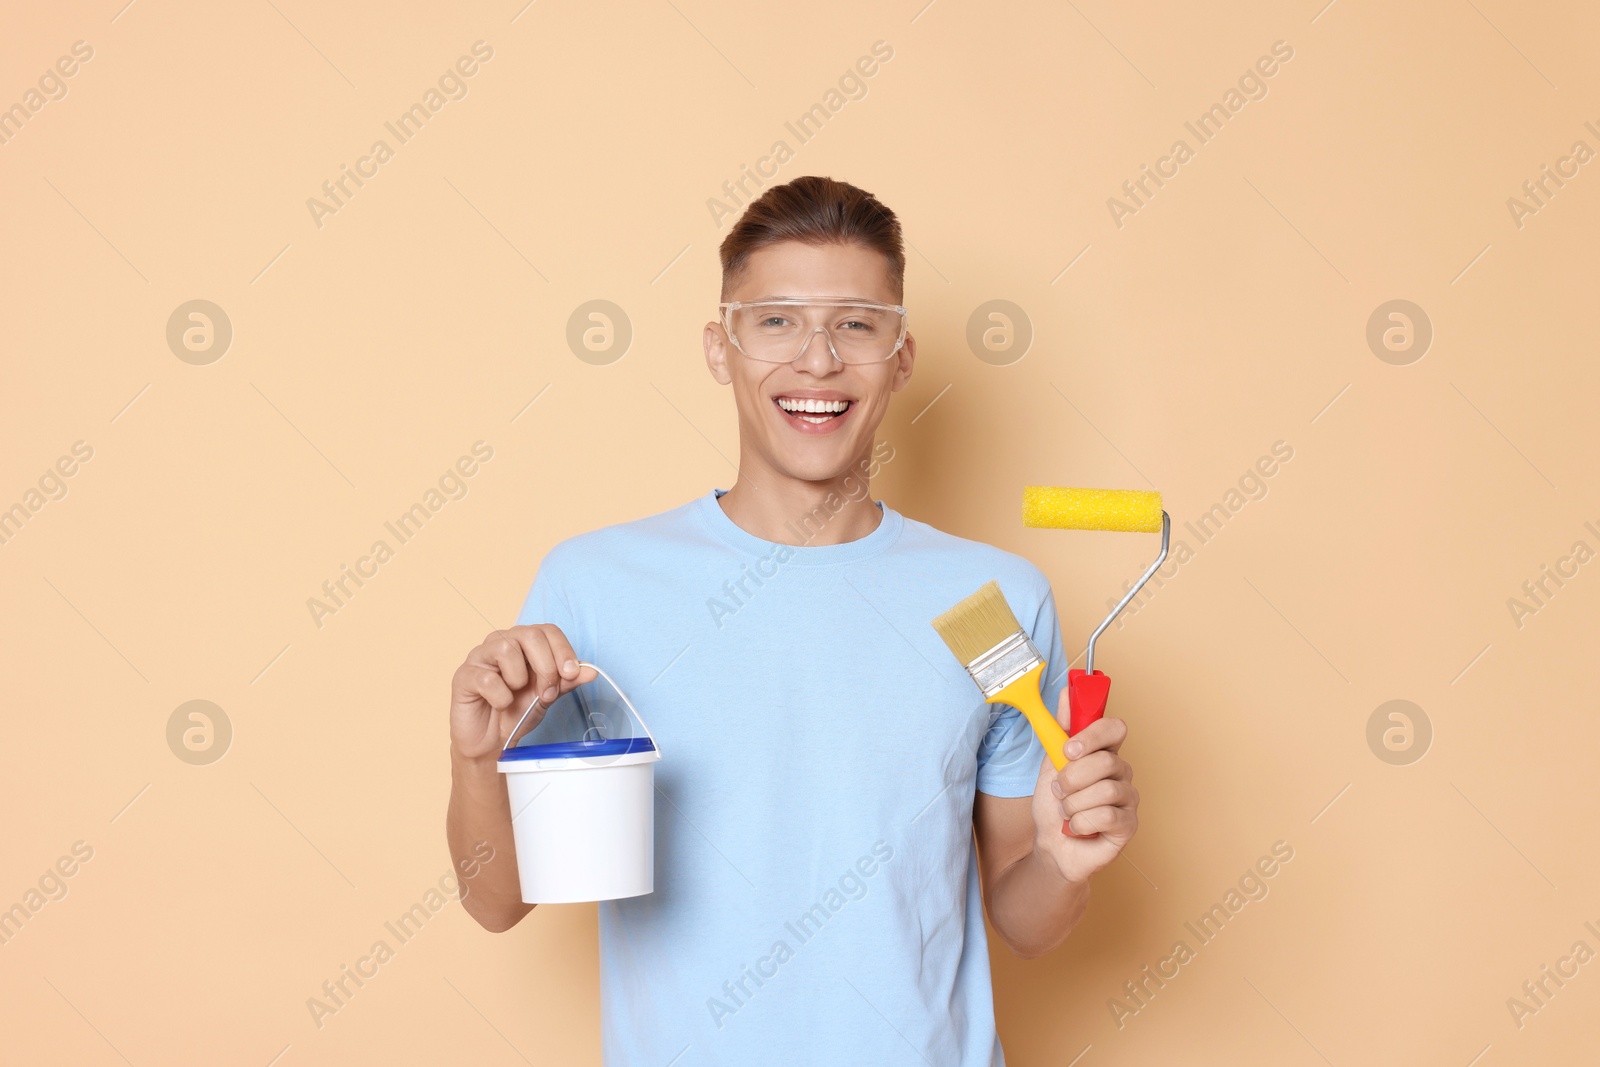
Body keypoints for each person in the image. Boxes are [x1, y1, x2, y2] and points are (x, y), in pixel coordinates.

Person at [445, 175, 1140, 1065]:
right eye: (776, 321)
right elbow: (498, 901)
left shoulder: (995, 597)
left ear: (901, 355)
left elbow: (1025, 920)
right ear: (719, 348)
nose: (818, 361)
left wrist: (1066, 862)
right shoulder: (595, 587)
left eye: (856, 323)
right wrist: (477, 760)